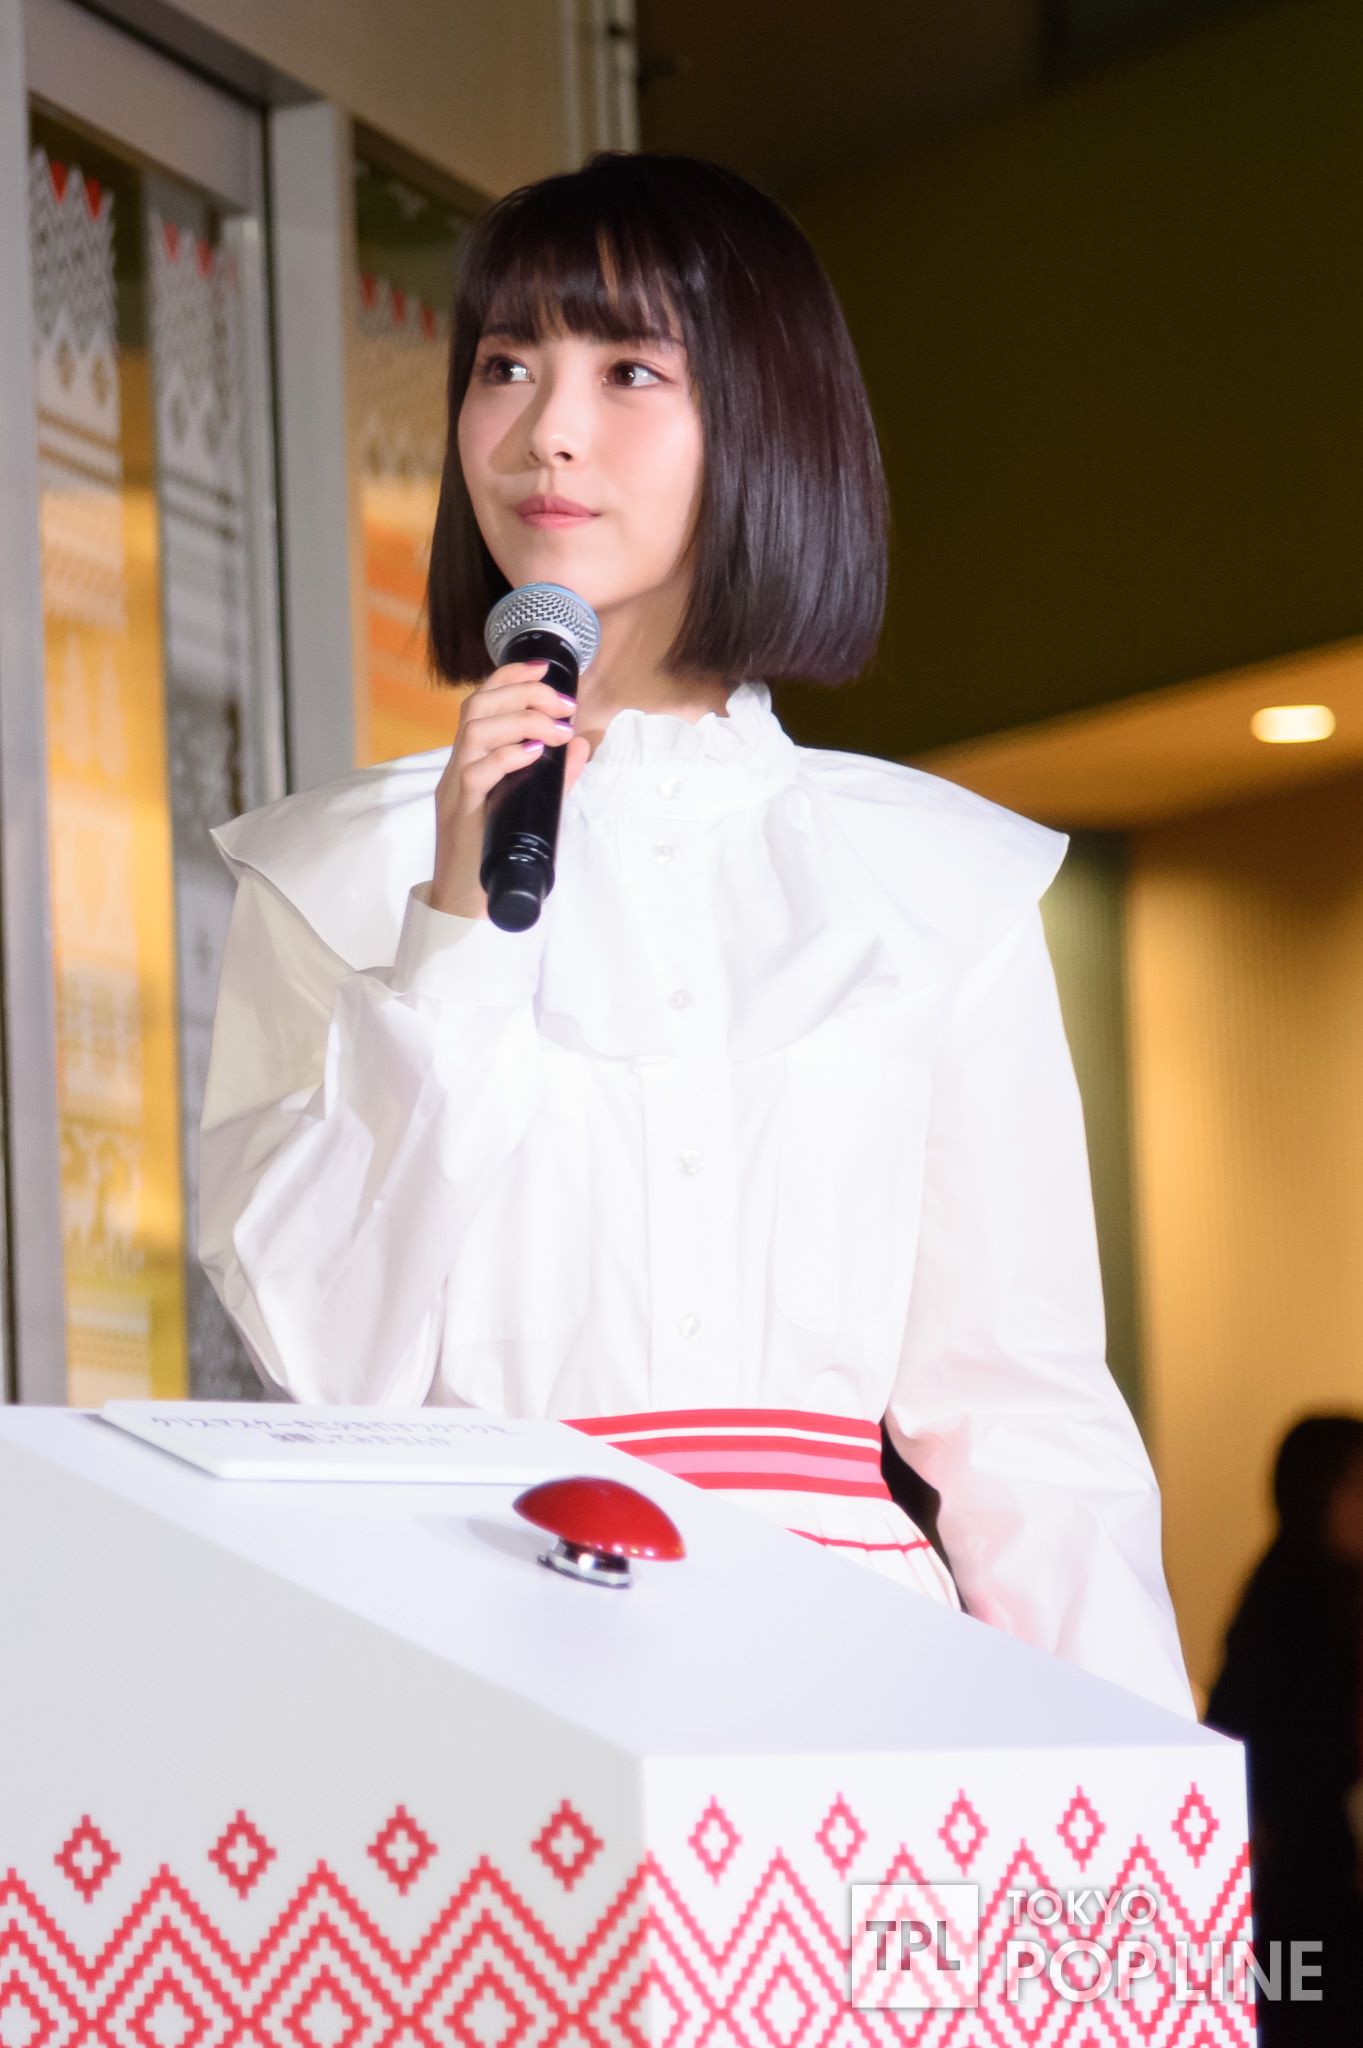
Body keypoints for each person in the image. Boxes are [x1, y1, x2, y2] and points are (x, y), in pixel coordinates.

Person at [198, 151, 1195, 1720]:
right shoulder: (333, 873)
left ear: (762, 417)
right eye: (504, 365)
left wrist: (1142, 1803)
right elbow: (321, 1363)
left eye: (627, 370)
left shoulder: (928, 886)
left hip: (847, 1682)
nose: (547, 429)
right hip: (472, 1666)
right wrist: (454, 930)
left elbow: (1023, 1425)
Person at [1205, 1415, 1363, 2043]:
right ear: (1313, 1490)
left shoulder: (1342, 1596)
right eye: (1355, 1484)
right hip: (1296, 1880)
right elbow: (1248, 1739)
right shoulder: (1285, 1605)